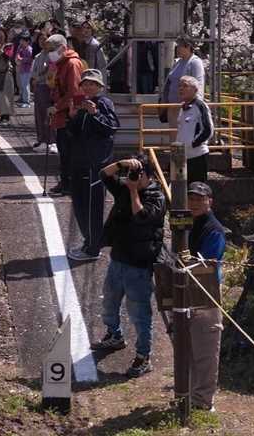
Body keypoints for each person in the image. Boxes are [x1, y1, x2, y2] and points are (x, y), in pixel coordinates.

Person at [93, 155, 166, 377]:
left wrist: (134, 190)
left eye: (138, 174)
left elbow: (141, 216)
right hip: (118, 258)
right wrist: (122, 164)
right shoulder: (124, 189)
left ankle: (144, 356)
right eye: (132, 174)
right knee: (109, 301)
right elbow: (103, 175)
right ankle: (114, 335)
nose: (133, 177)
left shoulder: (157, 197)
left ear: (150, 176)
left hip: (139, 265)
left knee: (139, 313)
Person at [65, 70, 119, 261]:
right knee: (80, 204)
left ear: (99, 86)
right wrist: (72, 116)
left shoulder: (103, 103)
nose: (88, 87)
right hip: (80, 161)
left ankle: (92, 248)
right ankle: (88, 242)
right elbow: (74, 132)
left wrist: (95, 113)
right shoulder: (83, 104)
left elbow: (111, 127)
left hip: (95, 164)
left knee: (91, 207)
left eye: (92, 84)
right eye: (85, 84)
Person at [184, 181, 226, 413]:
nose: (195, 203)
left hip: (206, 293)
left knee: (206, 351)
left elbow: (207, 263)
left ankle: (203, 401)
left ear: (210, 201)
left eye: (200, 199)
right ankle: (189, 395)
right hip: (185, 290)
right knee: (187, 347)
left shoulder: (214, 229)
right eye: (191, 198)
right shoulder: (186, 223)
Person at [46, 33, 84, 194]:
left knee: (69, 151)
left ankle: (70, 183)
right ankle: (65, 182)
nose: (50, 53)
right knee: (64, 150)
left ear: (62, 48)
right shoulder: (61, 63)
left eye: (52, 50)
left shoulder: (72, 64)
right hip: (62, 113)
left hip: (69, 115)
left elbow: (74, 92)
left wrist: (58, 107)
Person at [173, 73, 215, 184]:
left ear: (195, 89)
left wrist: (192, 144)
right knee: (182, 188)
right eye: (179, 86)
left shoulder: (200, 106)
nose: (181, 89)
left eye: (185, 86)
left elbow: (208, 130)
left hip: (197, 156)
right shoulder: (183, 107)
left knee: (197, 188)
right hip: (183, 156)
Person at [30, 38, 55, 153]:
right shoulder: (38, 56)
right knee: (39, 114)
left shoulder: (52, 56)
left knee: (48, 114)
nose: (43, 42)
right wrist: (34, 79)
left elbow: (50, 72)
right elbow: (33, 71)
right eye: (41, 39)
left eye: (45, 40)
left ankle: (51, 140)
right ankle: (41, 139)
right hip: (38, 87)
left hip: (48, 87)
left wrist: (38, 78)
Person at [14, 29, 35, 108]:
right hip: (22, 69)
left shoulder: (29, 49)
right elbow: (17, 55)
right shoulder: (21, 48)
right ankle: (23, 98)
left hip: (27, 70)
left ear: (27, 41)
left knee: (25, 85)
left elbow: (30, 59)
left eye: (23, 40)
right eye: (21, 40)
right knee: (22, 85)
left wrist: (22, 59)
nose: (21, 42)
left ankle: (27, 101)